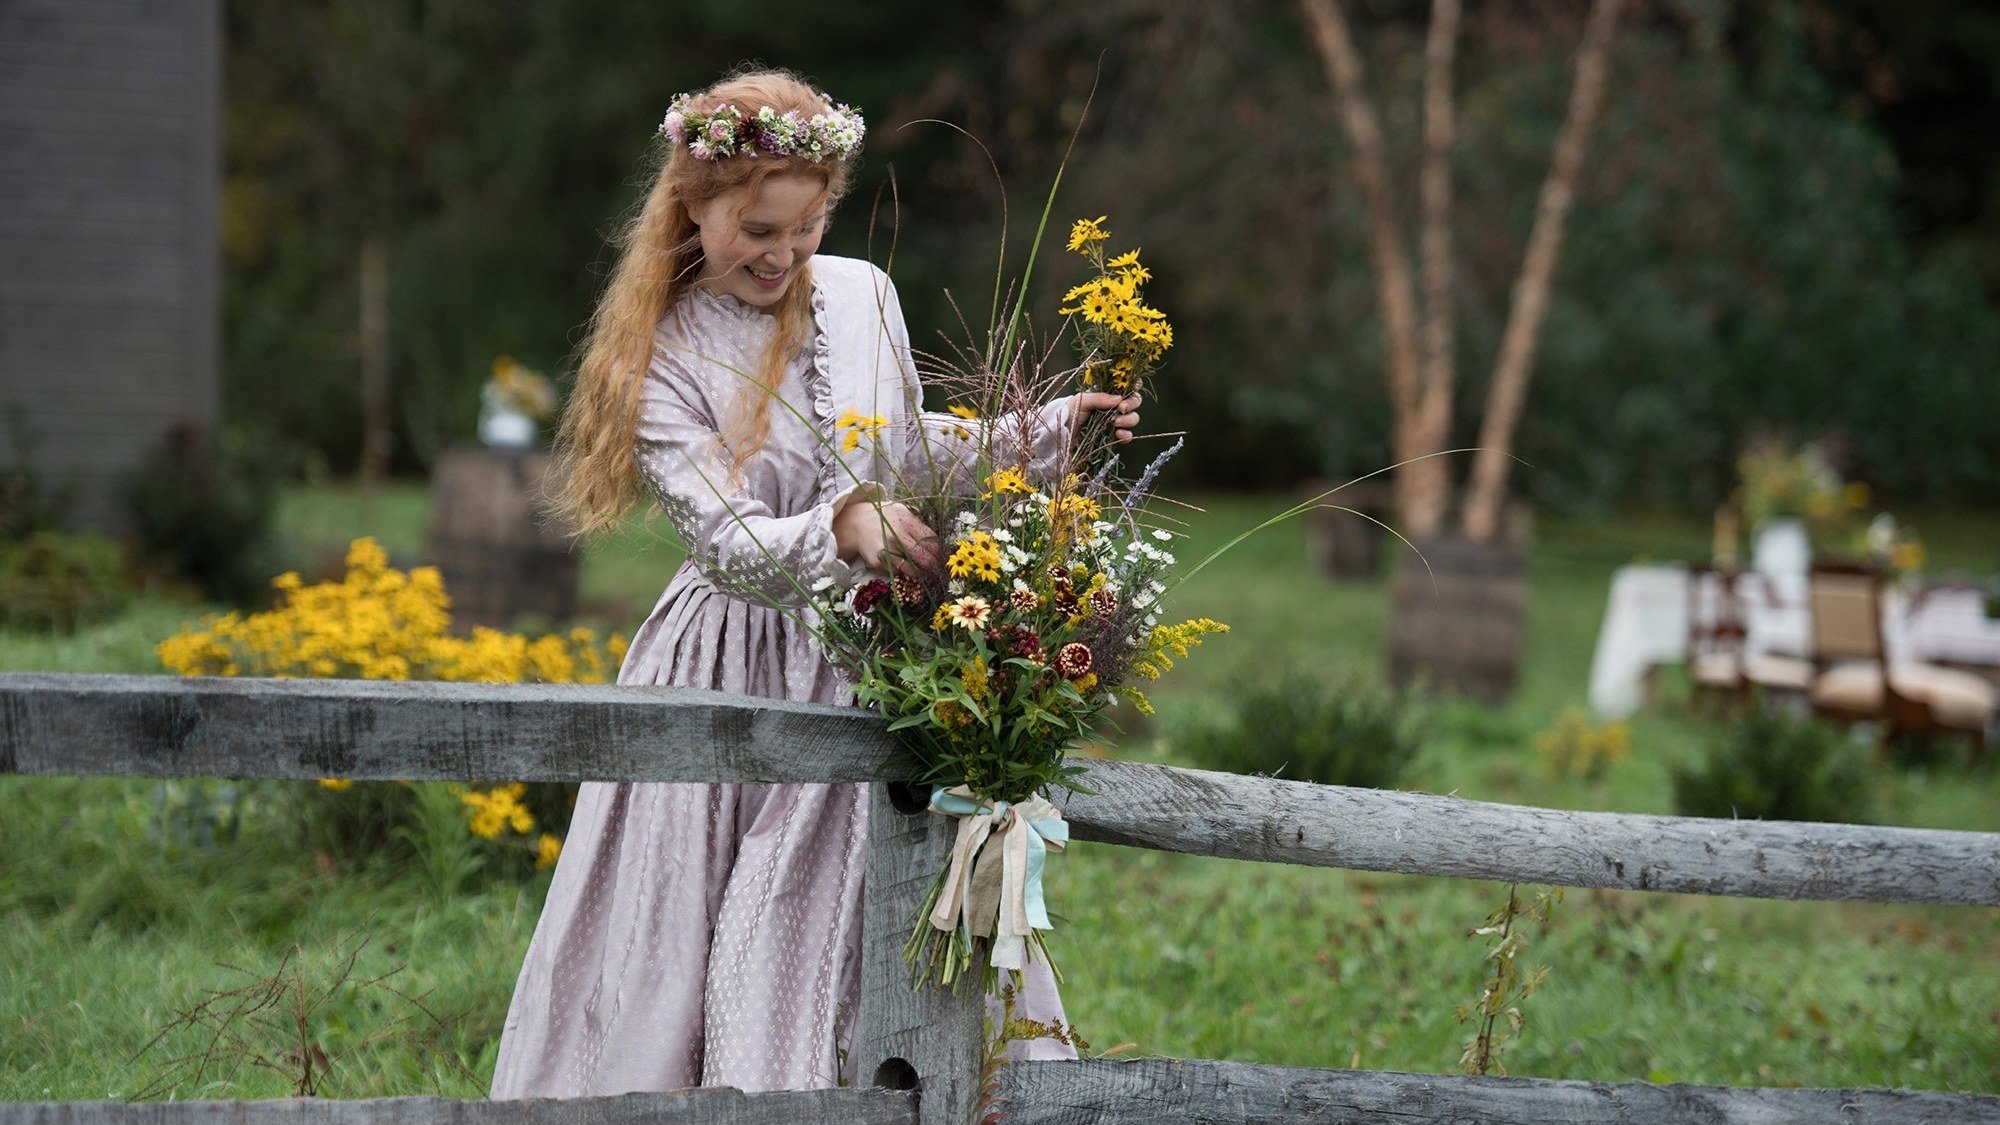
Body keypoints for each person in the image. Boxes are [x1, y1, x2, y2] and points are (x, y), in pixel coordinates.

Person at [488, 68, 1142, 1098]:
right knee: (705, 925)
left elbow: (906, 448)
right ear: (690, 204)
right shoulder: (658, 355)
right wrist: (841, 525)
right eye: (755, 228)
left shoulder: (857, 294)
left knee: (853, 908)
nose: (782, 254)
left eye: (803, 227)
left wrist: (1047, 434)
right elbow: (724, 538)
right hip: (728, 663)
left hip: (862, 655)